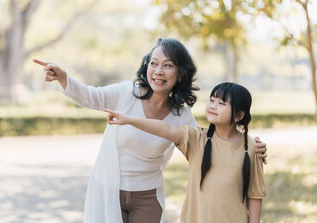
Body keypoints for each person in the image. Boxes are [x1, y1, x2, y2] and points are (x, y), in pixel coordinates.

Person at [33, 38, 267, 223]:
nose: (158, 71)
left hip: (147, 197)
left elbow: (211, 145)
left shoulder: (181, 115)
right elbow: (90, 96)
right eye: (153, 63)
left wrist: (251, 146)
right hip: (108, 189)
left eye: (167, 65)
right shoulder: (126, 94)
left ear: (180, 74)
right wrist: (64, 78)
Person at [105, 82, 267, 223]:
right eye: (212, 100)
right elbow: (165, 128)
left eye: (222, 103)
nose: (213, 105)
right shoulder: (197, 138)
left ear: (239, 115)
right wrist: (130, 119)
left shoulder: (251, 147)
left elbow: (255, 195)